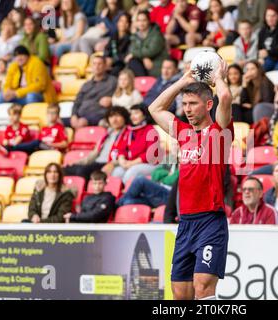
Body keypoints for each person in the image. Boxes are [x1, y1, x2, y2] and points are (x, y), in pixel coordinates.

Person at [148, 58, 233, 300]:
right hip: (185, 222)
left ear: (208, 105)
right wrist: (183, 81)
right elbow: (154, 109)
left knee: (203, 287)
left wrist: (219, 78)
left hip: (210, 220)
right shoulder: (183, 133)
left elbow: (225, 98)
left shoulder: (220, 132)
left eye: (193, 103)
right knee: (180, 294)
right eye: (184, 104)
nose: (187, 108)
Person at [64, 106, 129, 181]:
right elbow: (93, 154)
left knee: (82, 171)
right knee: (66, 169)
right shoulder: (106, 135)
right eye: (111, 116)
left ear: (124, 117)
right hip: (96, 163)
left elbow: (129, 156)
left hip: (107, 163)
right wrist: (78, 162)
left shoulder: (129, 134)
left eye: (117, 116)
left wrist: (113, 164)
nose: (114, 119)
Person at [111, 103, 159, 184]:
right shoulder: (129, 130)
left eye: (136, 113)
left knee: (132, 172)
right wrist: (122, 160)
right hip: (131, 163)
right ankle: (116, 195)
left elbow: (151, 154)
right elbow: (122, 149)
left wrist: (131, 163)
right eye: (131, 114)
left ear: (144, 115)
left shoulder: (151, 130)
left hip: (150, 165)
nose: (133, 116)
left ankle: (126, 194)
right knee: (117, 172)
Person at [0, 103, 68, 156]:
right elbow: (5, 141)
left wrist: (52, 144)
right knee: (36, 144)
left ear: (58, 115)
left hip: (52, 149)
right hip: (40, 148)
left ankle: (7, 149)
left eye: (53, 113)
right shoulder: (44, 128)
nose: (50, 115)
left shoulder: (60, 127)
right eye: (48, 113)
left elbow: (65, 144)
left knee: (37, 142)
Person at [70, 55, 117, 129]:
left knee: (82, 122)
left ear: (105, 66)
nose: (96, 66)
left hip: (99, 115)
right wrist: (73, 116)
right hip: (80, 115)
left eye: (99, 64)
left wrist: (112, 100)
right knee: (57, 121)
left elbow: (123, 96)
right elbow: (77, 102)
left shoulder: (113, 81)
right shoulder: (86, 84)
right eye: (94, 64)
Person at [125, 10, 168, 77]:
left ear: (149, 21)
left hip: (157, 64)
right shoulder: (136, 35)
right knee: (132, 62)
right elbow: (131, 48)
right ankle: (142, 82)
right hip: (144, 64)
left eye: (144, 20)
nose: (141, 23)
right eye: (139, 20)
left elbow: (150, 51)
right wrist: (144, 58)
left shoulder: (157, 34)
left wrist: (133, 54)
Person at [240, 60, 274, 124]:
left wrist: (252, 106)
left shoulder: (265, 82)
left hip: (264, 111)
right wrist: (244, 85)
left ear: (258, 70)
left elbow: (266, 102)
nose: (249, 72)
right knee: (236, 108)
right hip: (254, 110)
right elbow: (243, 102)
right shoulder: (249, 83)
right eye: (247, 69)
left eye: (252, 69)